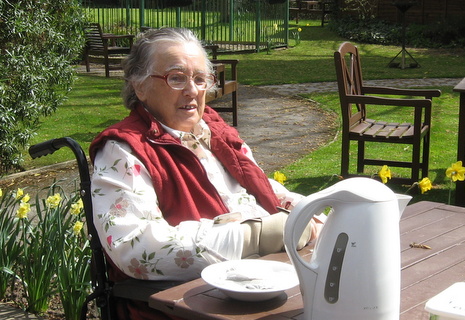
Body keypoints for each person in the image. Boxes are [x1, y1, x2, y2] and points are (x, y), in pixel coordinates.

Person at [89, 27, 322, 320]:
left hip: (262, 283)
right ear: (140, 86)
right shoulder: (123, 151)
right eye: (176, 78)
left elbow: (259, 187)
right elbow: (135, 247)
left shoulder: (213, 130)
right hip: (189, 305)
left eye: (200, 79)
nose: (193, 90)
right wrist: (255, 236)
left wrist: (307, 211)